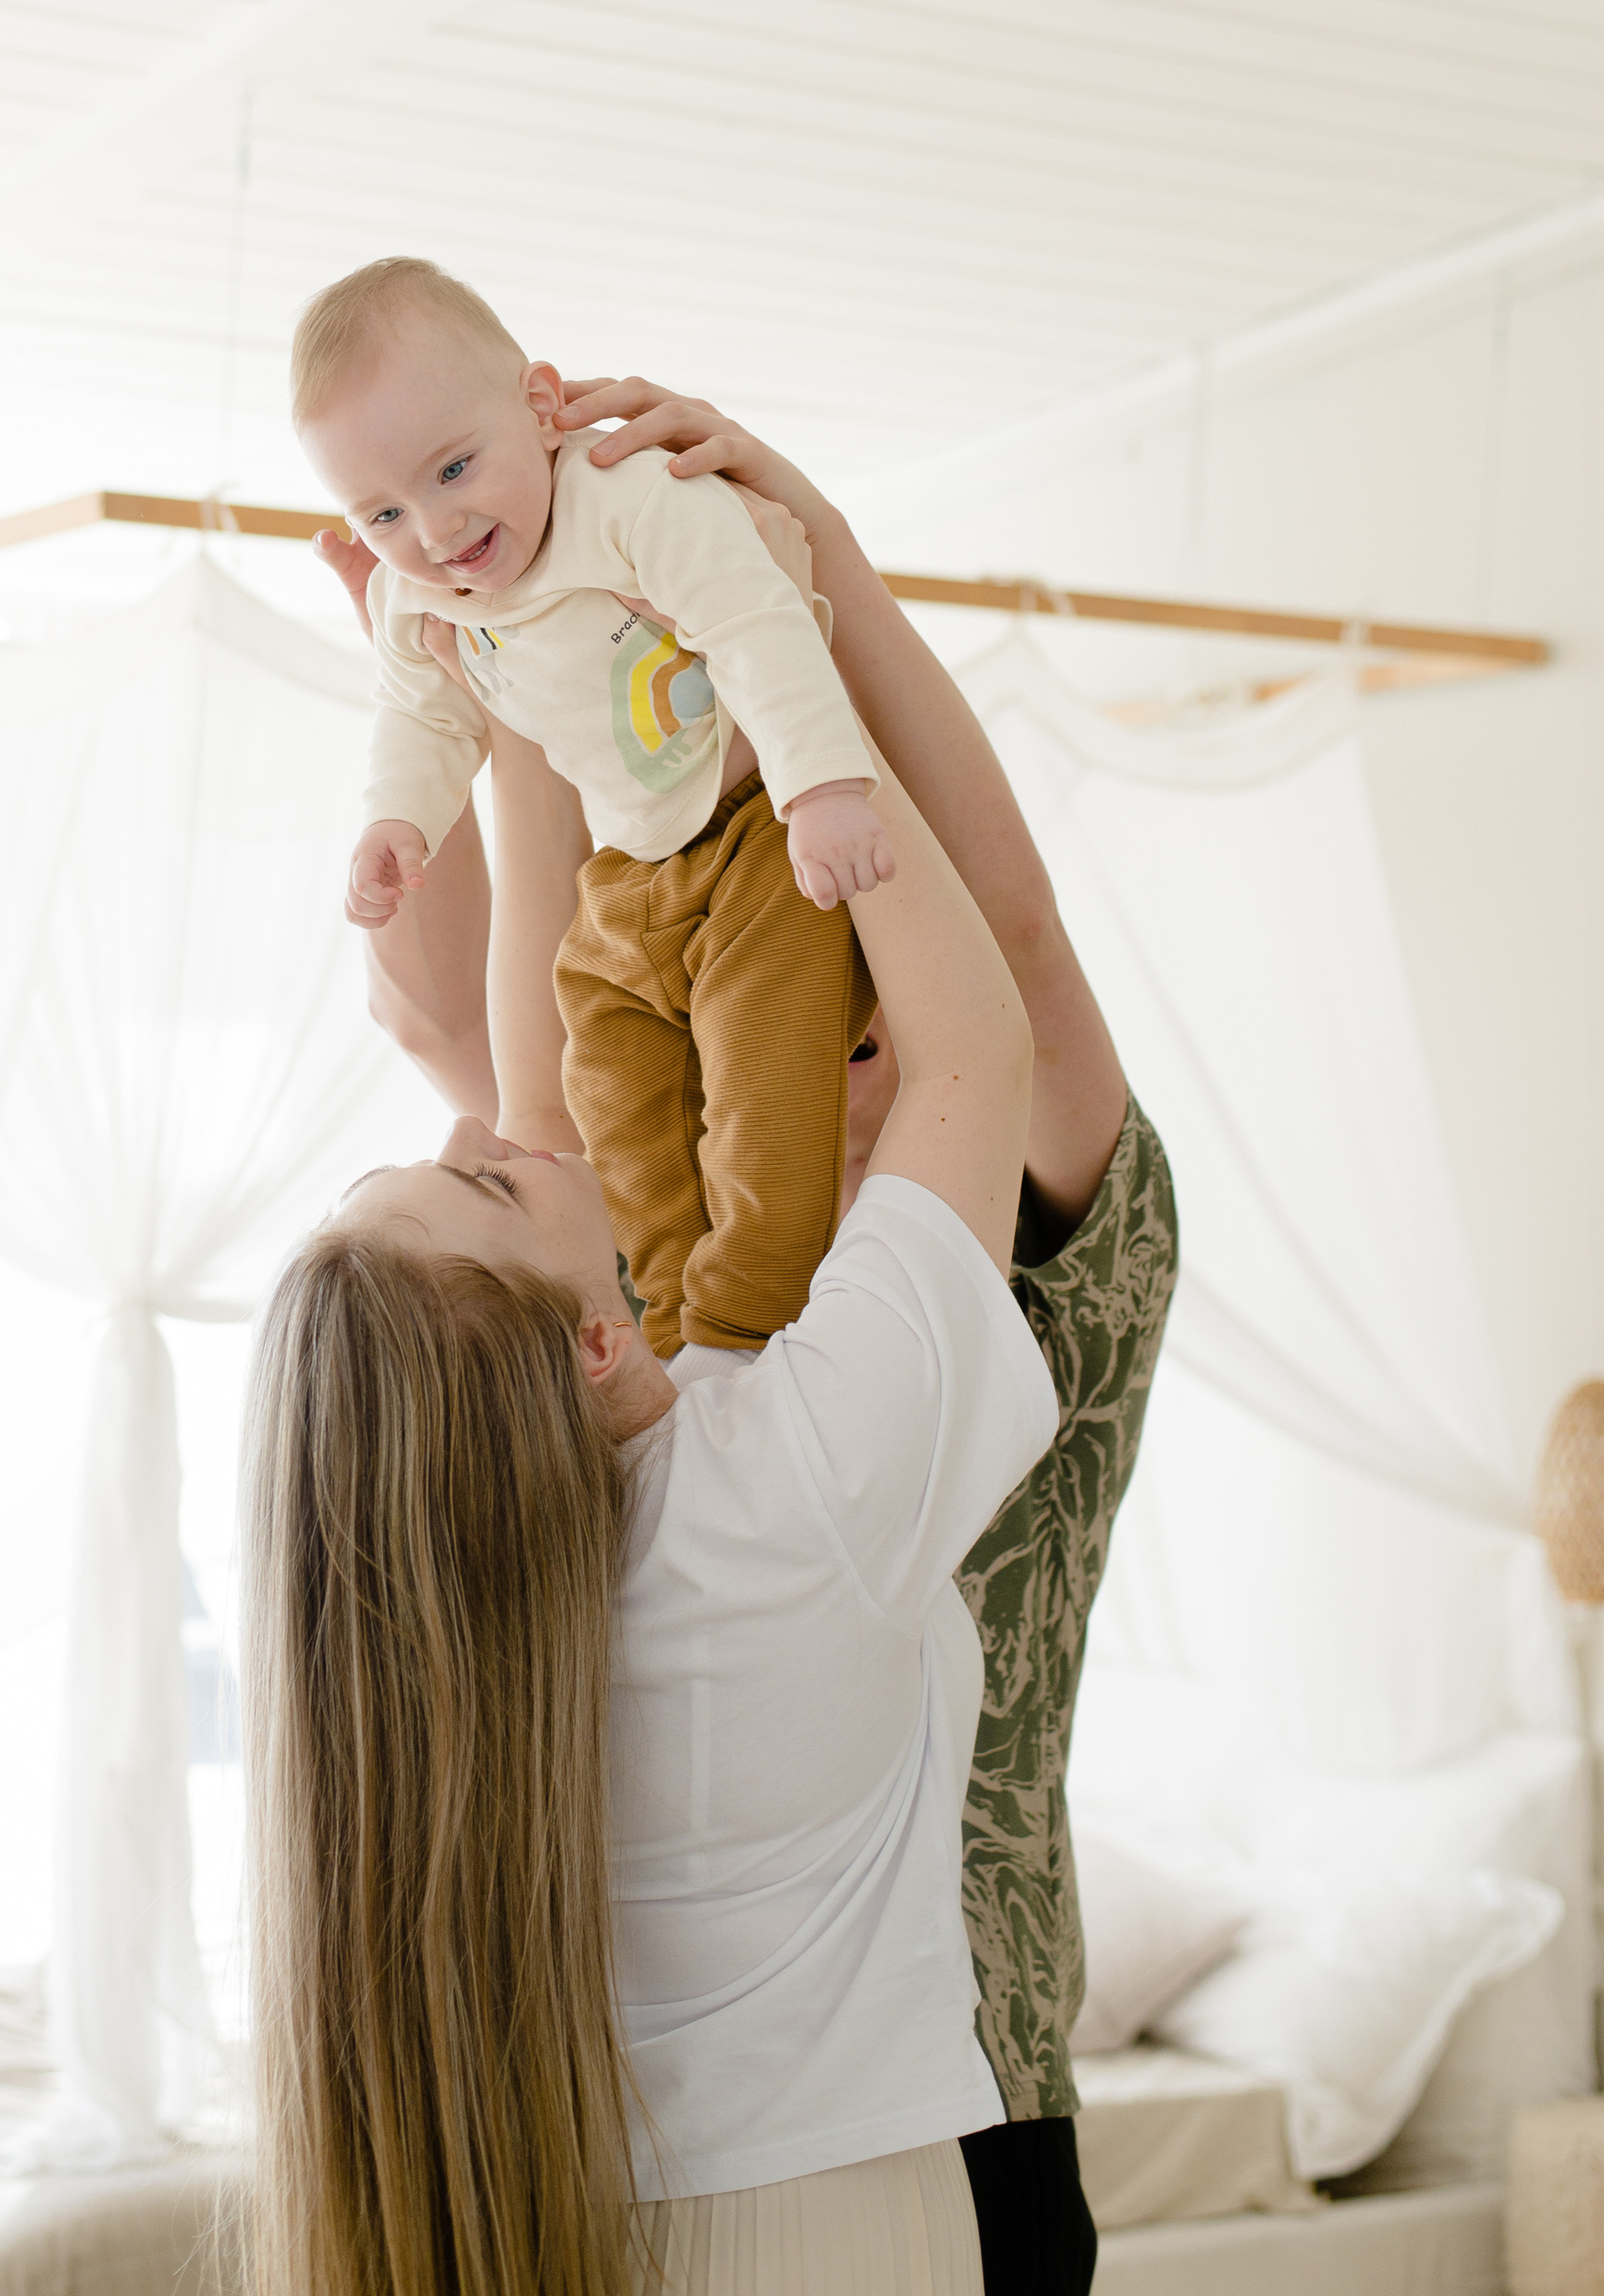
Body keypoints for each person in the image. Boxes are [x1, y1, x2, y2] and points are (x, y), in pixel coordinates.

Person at [326, 381, 1179, 2296]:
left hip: (963, 2101)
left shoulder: (1031, 1270)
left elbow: (1011, 964)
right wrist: (523, 610)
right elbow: (560, 993)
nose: (827, 1084)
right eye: (777, 1057)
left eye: (846, 1038)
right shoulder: (664, 1345)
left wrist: (787, 567)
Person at [241, 673, 1056, 2293]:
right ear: (597, 1352)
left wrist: (520, 672)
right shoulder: (792, 1494)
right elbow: (978, 1041)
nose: (500, 1126)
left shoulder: (444, 1658)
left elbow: (544, 1094)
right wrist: (794, 666)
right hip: (844, 2240)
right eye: (481, 1172)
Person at [290, 255, 889, 1359]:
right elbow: (421, 722)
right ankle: (669, 1315)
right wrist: (398, 825)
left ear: (540, 403)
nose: (433, 527)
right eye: (382, 511)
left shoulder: (628, 502)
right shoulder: (424, 591)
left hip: (754, 824)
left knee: (762, 1085)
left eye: (455, 466)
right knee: (607, 1078)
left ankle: (746, 1320)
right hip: (634, 864)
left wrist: (824, 790)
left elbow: (762, 620)